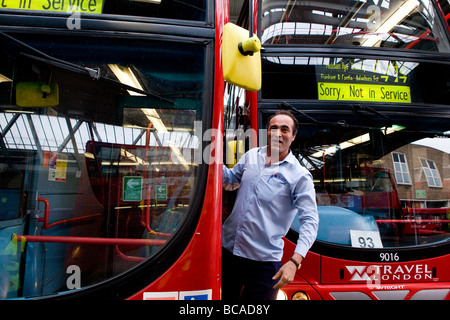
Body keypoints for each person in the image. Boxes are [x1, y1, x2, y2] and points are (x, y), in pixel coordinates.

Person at [221, 110, 319, 300]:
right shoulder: (251, 156)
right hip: (229, 254)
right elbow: (231, 181)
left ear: (293, 136)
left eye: (284, 129)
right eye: (274, 128)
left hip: (264, 265)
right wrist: (210, 161)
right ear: (267, 132)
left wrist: (294, 261)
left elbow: (310, 221)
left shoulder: (299, 175)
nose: (278, 133)